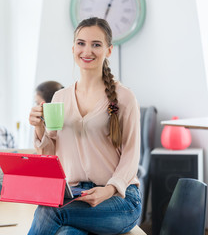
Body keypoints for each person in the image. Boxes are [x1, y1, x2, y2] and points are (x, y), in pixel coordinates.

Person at [28, 17, 141, 234]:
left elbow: (131, 157)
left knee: (50, 211)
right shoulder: (60, 97)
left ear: (108, 51)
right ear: (73, 48)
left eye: (96, 44)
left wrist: (108, 190)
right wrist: (39, 127)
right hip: (76, 195)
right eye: (81, 43)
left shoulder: (124, 97)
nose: (87, 50)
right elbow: (51, 156)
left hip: (120, 199)